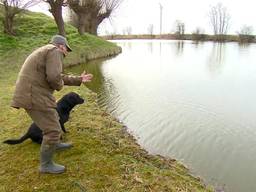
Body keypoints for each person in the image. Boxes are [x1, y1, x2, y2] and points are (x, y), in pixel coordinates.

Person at [11, 35, 93, 174]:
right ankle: (46, 165)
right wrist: (59, 85)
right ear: (61, 46)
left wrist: (79, 79)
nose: (67, 53)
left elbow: (57, 76)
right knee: (53, 130)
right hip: (34, 95)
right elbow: (55, 78)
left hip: (32, 93)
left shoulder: (45, 51)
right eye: (67, 49)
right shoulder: (55, 51)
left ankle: (56, 144)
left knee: (54, 118)